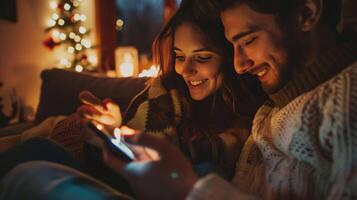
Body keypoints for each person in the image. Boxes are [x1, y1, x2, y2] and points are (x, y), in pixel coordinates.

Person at [17, 0, 355, 199]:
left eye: (248, 40)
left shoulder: (343, 105)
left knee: (31, 172)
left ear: (308, 12)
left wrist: (188, 186)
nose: (240, 64)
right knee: (35, 160)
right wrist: (114, 133)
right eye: (234, 45)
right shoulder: (271, 109)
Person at [0, 0, 265, 199]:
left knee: (32, 169)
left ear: (231, 58)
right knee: (38, 150)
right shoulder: (165, 93)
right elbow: (120, 156)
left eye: (203, 57)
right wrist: (110, 129)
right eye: (179, 56)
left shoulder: (250, 122)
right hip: (113, 177)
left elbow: (184, 175)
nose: (185, 69)